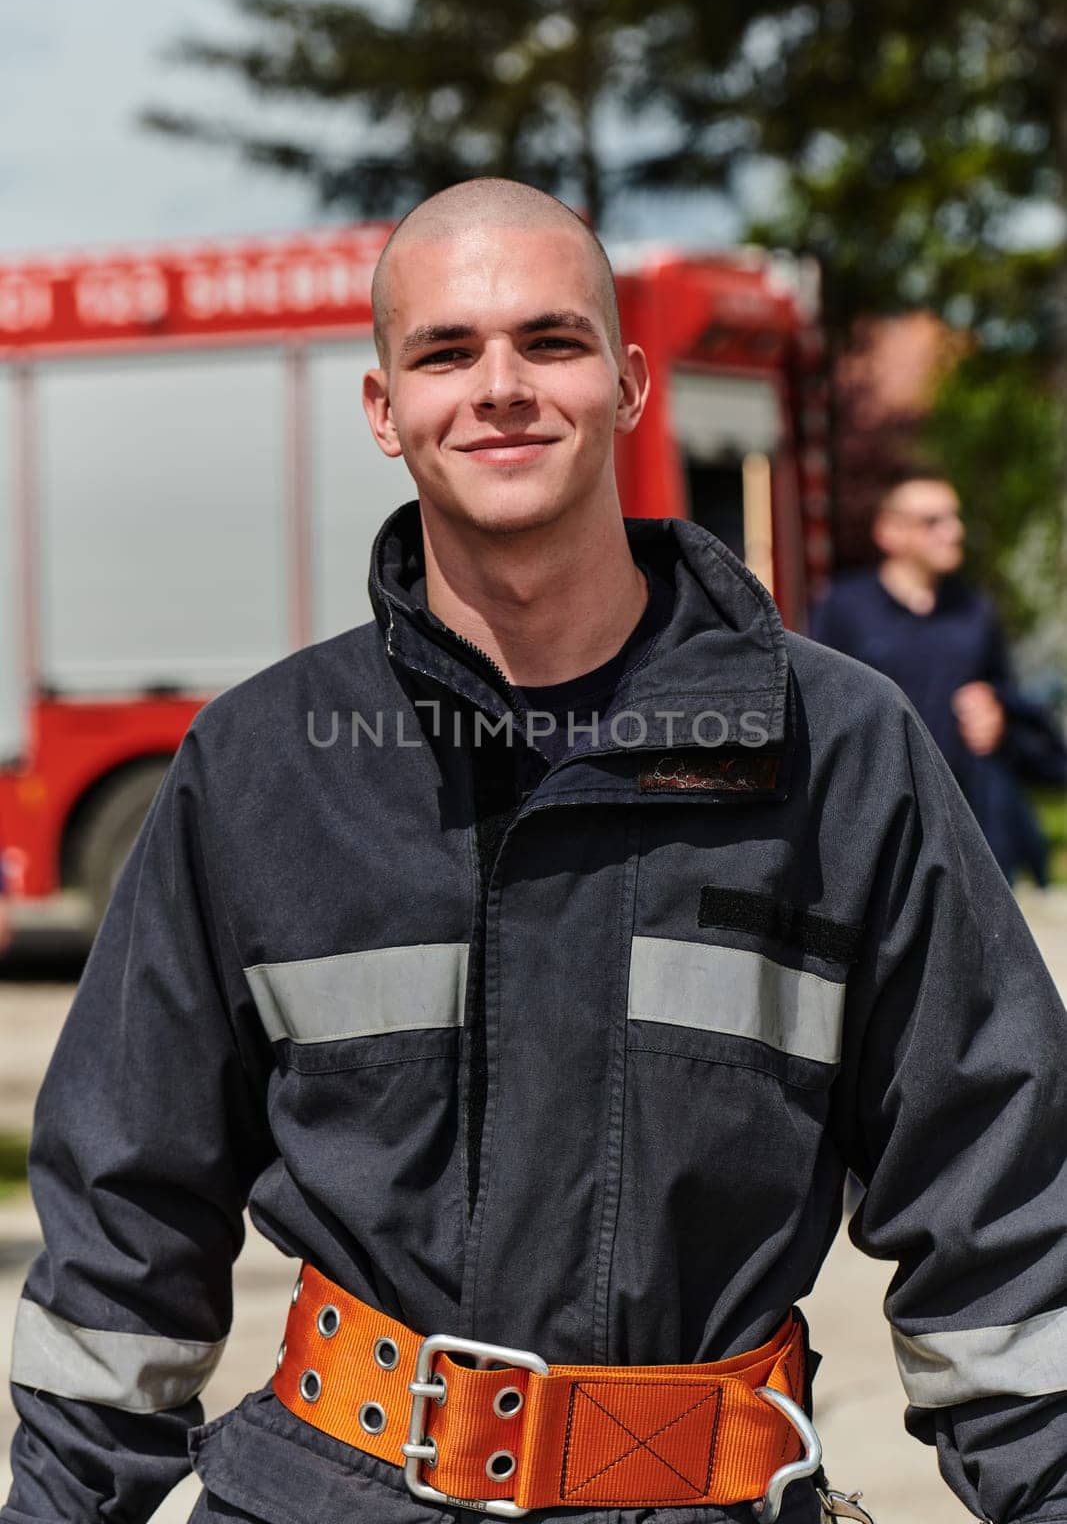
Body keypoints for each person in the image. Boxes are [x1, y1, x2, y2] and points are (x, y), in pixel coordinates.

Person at [4, 179, 1067, 1524]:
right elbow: (124, 1221)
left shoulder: (836, 752)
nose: (497, 387)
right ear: (384, 411)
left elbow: (999, 1200)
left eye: (548, 342)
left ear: (626, 385)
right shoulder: (262, 770)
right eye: (446, 353)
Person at [809, 471, 1053, 883]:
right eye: (932, 521)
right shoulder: (844, 608)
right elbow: (816, 705)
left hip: (966, 823)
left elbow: (1006, 696)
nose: (953, 532)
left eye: (954, 518)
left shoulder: (975, 610)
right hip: (874, 821)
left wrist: (995, 714)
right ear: (889, 532)